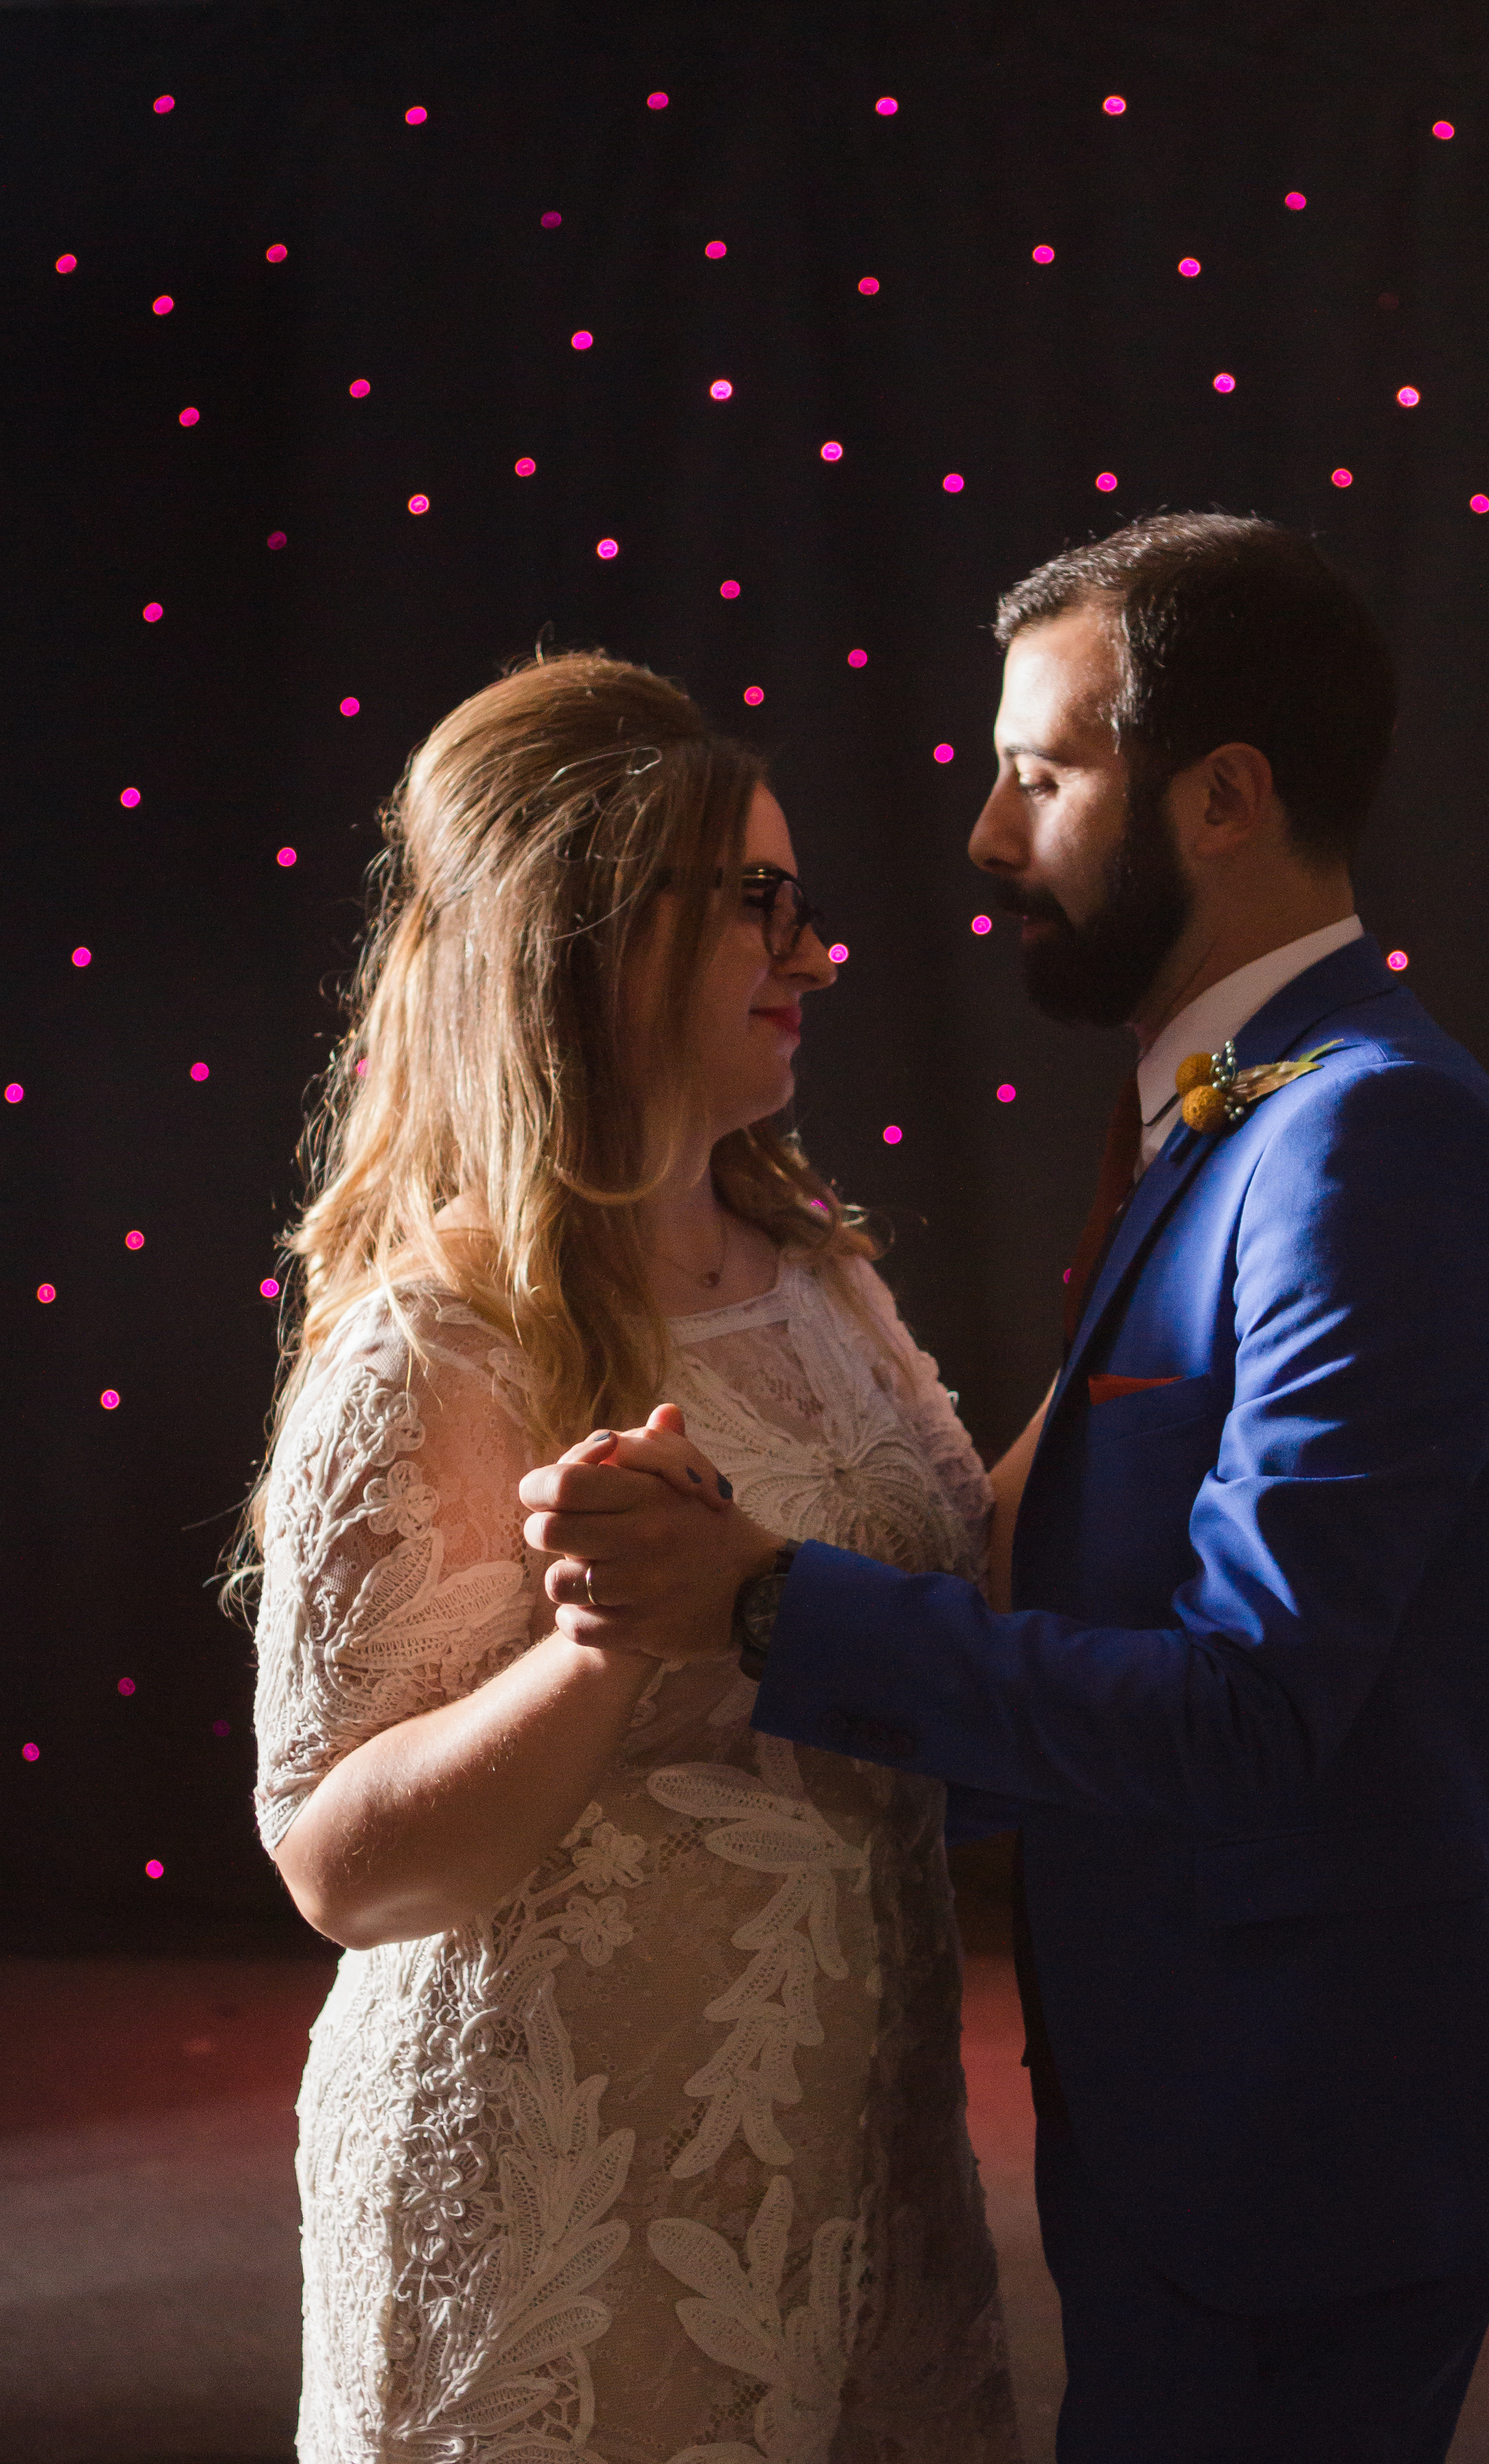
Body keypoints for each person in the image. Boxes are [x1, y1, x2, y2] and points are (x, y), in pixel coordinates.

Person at [522, 516, 1489, 2464]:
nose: (984, 839)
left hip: (1309, 2148)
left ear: (1220, 799)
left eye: (1036, 774)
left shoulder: (1365, 1146)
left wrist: (762, 1602)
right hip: (1217, 2116)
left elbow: (1254, 1710)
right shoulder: (1238, 1111)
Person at [239, 651, 1020, 2463]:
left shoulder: (810, 1265)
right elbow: (341, 1869)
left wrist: (1154, 1296)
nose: (811, 953)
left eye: (803, 905)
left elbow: (967, 1580)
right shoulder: (440, 1340)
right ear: (585, 930)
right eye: (757, 903)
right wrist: (602, 1646)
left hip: (833, 2164)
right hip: (554, 2205)